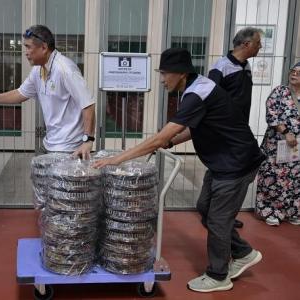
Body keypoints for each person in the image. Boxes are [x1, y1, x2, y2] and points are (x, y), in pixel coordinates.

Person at [93, 48, 265, 293]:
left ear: (182, 73)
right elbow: (193, 128)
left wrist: (118, 158)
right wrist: (171, 142)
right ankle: (243, 252)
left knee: (218, 219)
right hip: (222, 161)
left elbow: (160, 136)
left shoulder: (197, 93)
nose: (162, 79)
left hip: (237, 163)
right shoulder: (195, 89)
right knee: (205, 208)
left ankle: (218, 276)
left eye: (165, 74)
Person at [0, 25, 95, 159]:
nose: (26, 52)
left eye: (28, 47)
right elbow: (20, 93)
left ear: (44, 48)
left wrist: (88, 140)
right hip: (50, 144)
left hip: (70, 148)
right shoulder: (38, 70)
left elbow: (88, 104)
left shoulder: (65, 69)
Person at [208, 26, 263, 229]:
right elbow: (210, 99)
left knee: (239, 177)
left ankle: (227, 216)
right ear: (246, 44)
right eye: (258, 43)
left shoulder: (246, 66)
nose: (260, 47)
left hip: (240, 131)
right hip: (223, 134)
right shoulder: (220, 67)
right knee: (225, 176)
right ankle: (220, 216)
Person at [255, 62, 300, 226]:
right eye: (293, 71)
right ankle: (271, 211)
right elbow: (271, 114)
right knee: (273, 176)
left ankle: (292, 211)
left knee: (295, 178)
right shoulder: (280, 92)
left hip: (298, 147)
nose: (294, 74)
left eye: (298, 73)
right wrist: (286, 132)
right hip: (277, 144)